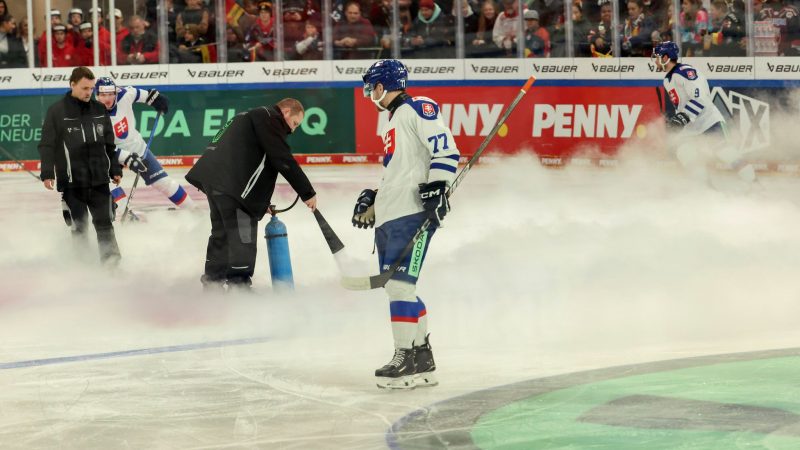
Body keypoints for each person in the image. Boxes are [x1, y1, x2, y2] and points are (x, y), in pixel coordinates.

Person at [355, 59, 460, 389]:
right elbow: (397, 170)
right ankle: (421, 358)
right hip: (391, 212)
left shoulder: (418, 107)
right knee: (397, 287)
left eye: (372, 85)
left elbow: (446, 150)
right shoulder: (387, 121)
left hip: (411, 211)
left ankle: (404, 357)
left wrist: (438, 187)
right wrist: (375, 195)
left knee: (400, 286)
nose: (369, 91)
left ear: (383, 85)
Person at [185, 98, 317, 292]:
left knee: (221, 233)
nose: (292, 130)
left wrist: (262, 203)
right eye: (295, 123)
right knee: (242, 236)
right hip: (230, 187)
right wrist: (307, 192)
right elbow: (281, 158)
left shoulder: (250, 115)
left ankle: (212, 283)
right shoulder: (270, 118)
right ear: (286, 112)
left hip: (214, 181)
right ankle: (240, 287)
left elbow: (252, 163)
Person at [38, 66, 122, 265]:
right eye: (85, 88)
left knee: (105, 225)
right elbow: (47, 144)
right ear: (72, 85)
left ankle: (112, 267)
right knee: (79, 229)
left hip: (99, 181)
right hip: (72, 183)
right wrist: (47, 172)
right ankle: (82, 268)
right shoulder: (57, 111)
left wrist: (115, 169)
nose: (89, 93)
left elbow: (109, 144)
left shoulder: (100, 109)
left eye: (91, 89)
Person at [652, 41, 756, 185]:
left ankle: (754, 184)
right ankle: (707, 189)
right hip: (691, 126)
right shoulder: (667, 80)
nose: (655, 61)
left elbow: (700, 97)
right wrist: (677, 121)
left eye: (656, 57)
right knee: (685, 153)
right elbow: (681, 105)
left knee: (726, 153)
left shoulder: (685, 72)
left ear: (665, 58)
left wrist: (683, 117)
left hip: (709, 121)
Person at [93, 77, 195, 214]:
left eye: (111, 94)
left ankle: (194, 210)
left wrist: (157, 100)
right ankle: (126, 215)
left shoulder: (125, 94)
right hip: (112, 155)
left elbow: (146, 95)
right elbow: (101, 147)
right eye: (103, 95)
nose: (108, 99)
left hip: (137, 148)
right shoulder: (90, 114)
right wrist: (126, 158)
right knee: (106, 183)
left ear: (116, 92)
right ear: (96, 95)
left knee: (163, 182)